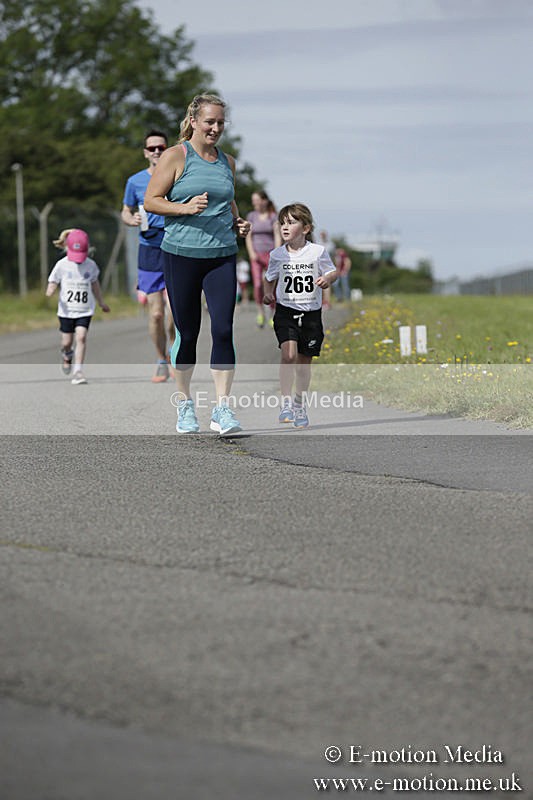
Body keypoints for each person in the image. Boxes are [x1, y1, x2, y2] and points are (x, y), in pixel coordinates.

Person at [143, 93, 251, 435]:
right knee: (188, 333)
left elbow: (228, 199)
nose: (216, 128)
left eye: (221, 123)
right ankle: (185, 406)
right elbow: (151, 201)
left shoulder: (227, 162)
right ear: (194, 121)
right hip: (181, 255)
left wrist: (238, 222)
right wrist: (184, 208)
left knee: (222, 329)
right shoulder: (176, 156)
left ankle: (222, 408)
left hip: (221, 254)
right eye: (210, 122)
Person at [263, 203, 336, 429]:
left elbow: (332, 271)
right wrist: (267, 293)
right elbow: (270, 277)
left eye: (291, 223)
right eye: (282, 223)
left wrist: (327, 280)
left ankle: (299, 403)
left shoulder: (318, 252)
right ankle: (285, 403)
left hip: (311, 314)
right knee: (289, 354)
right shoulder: (276, 254)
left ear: (305, 228)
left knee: (304, 363)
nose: (285, 227)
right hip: (286, 311)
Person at [121, 129, 175, 383]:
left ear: (167, 150)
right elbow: (125, 210)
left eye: (160, 148)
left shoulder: (177, 176)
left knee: (174, 315)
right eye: (151, 148)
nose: (156, 152)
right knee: (156, 314)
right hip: (149, 248)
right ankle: (161, 359)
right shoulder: (135, 181)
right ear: (145, 153)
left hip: (175, 245)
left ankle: (176, 356)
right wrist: (130, 219)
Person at [46, 228, 110, 385]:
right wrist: (51, 290)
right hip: (66, 311)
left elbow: (95, 285)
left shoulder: (91, 266)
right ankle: (67, 354)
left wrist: (101, 302)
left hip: (85, 310)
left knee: (81, 337)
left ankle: (78, 371)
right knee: (66, 341)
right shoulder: (62, 265)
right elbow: (53, 280)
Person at [245, 190, 281, 328]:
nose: (255, 203)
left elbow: (277, 235)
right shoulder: (251, 216)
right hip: (256, 254)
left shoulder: (273, 216)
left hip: (270, 254)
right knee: (258, 285)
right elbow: (248, 236)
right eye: (253, 200)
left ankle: (273, 313)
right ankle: (260, 312)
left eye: (257, 200)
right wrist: (251, 253)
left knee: (271, 284)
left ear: (264, 201)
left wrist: (276, 253)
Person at [318, 229, 335, 309]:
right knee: (319, 284)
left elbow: (334, 256)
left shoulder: (330, 245)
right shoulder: (318, 243)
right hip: (318, 266)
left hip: (327, 266)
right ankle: (320, 301)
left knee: (327, 283)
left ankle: (327, 301)